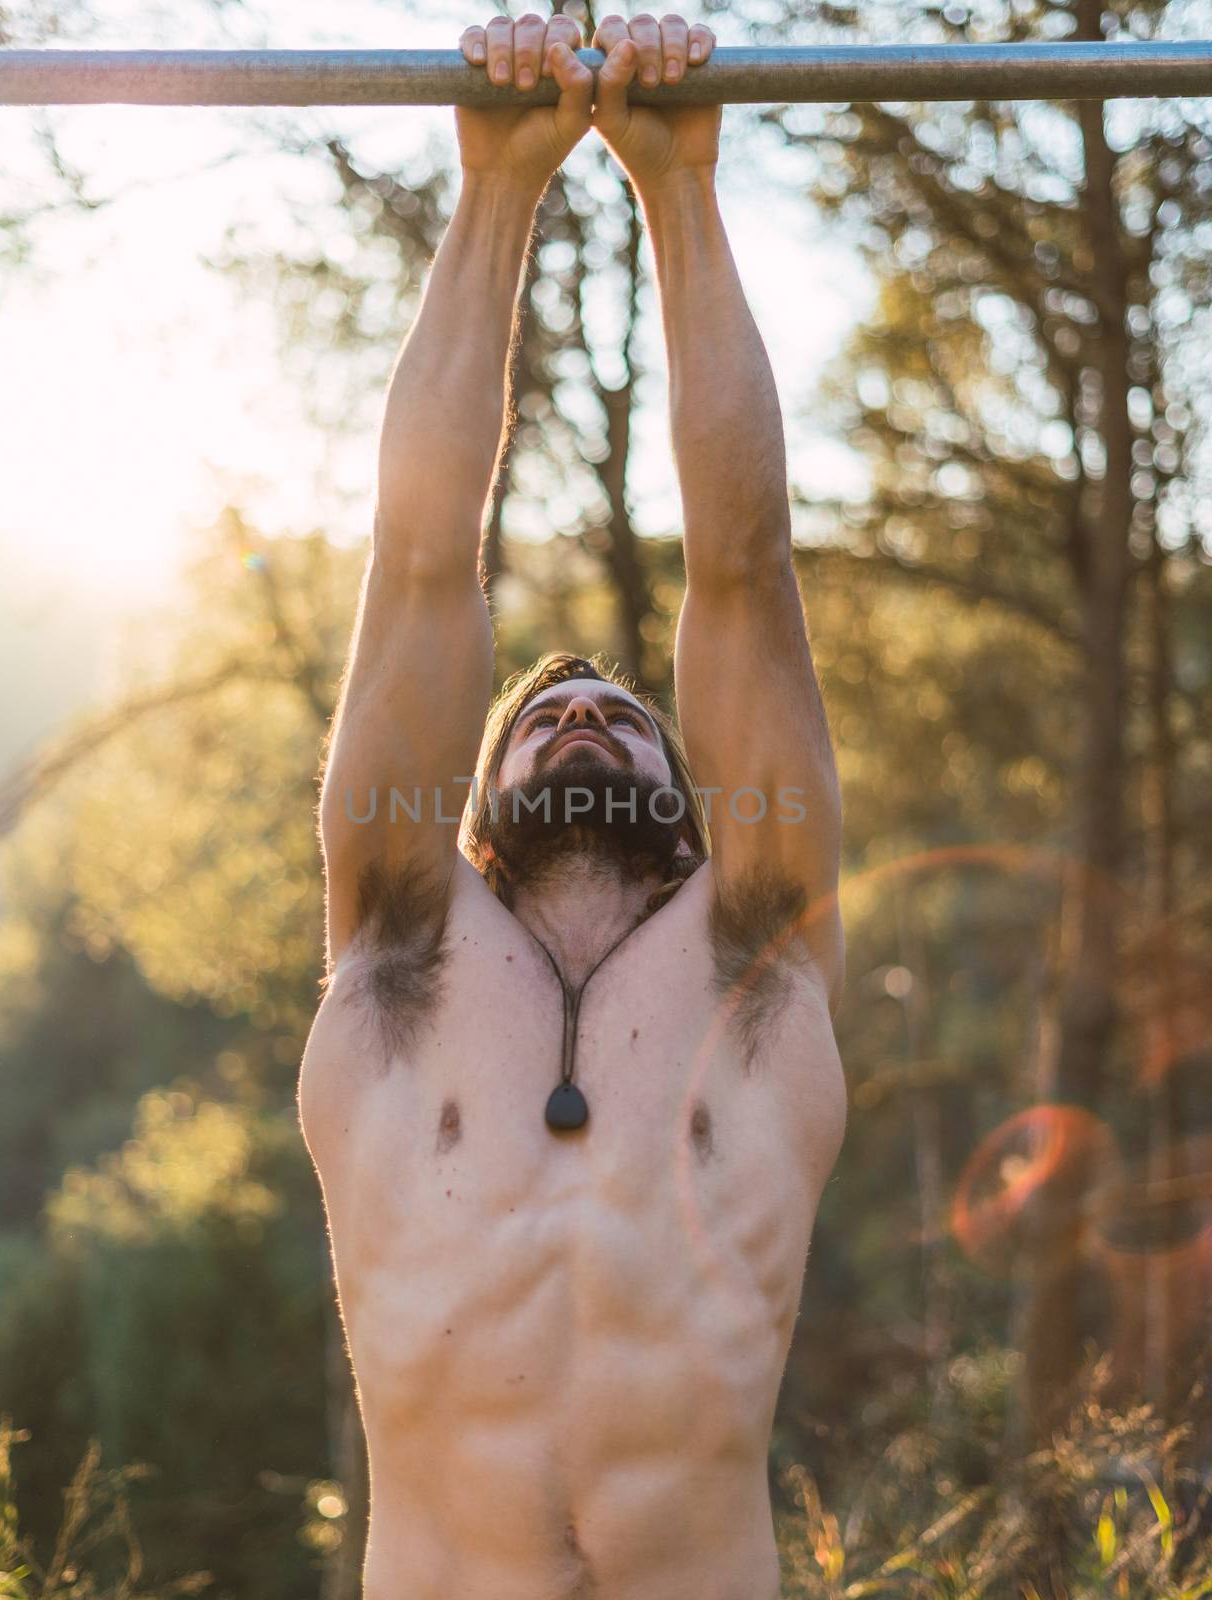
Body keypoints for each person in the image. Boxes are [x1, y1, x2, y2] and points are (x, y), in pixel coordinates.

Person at [299, 12, 847, 1596]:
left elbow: (743, 576)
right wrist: (496, 199)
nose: (590, 713)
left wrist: (681, 191)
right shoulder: (399, 958)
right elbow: (419, 565)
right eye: (542, 717)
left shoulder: (762, 967)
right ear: (464, 814)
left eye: (623, 714)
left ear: (699, 804)